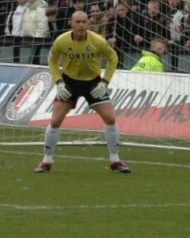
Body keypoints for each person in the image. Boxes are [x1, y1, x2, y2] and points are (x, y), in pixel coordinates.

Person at [34, 10, 130, 174]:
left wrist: (105, 82)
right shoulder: (61, 41)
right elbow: (52, 60)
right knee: (56, 121)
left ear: (88, 23)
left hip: (93, 83)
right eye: (77, 22)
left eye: (84, 22)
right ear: (71, 23)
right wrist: (59, 82)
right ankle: (46, 161)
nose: (81, 25)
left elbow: (113, 57)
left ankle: (115, 159)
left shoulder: (97, 40)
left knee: (110, 118)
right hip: (69, 83)